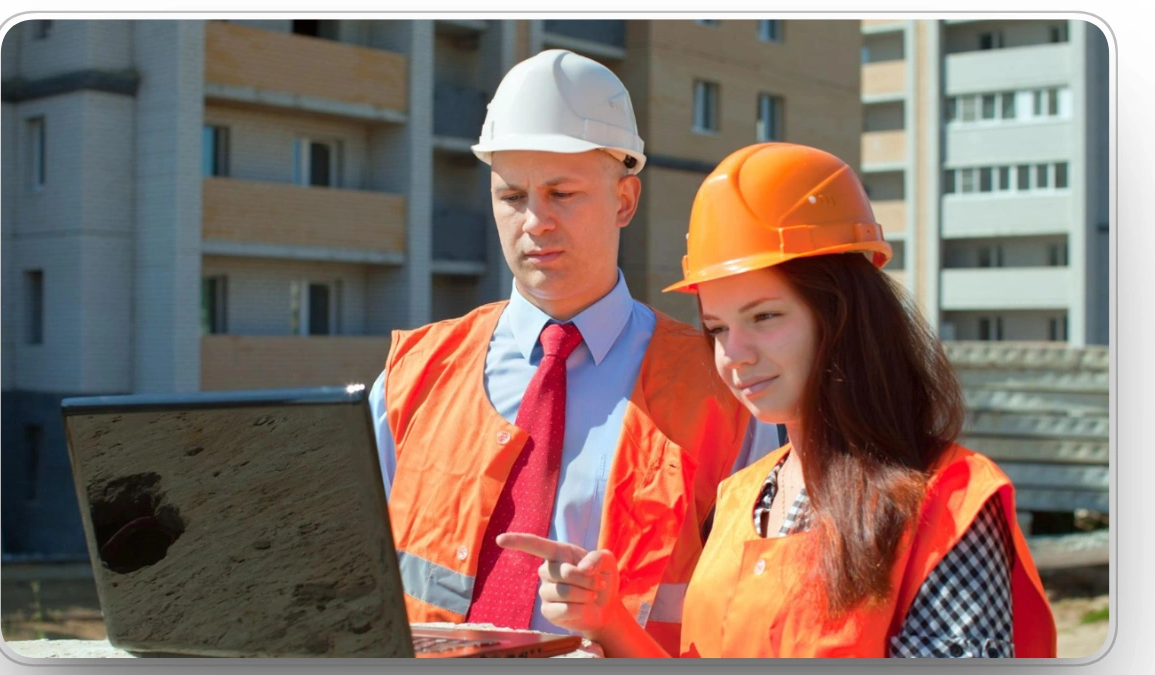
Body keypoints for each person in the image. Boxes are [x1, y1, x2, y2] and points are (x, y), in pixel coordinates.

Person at [500, 142, 1058, 658]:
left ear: (843, 317)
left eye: (764, 317)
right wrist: (611, 622)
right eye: (717, 328)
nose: (733, 354)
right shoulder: (743, 496)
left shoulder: (952, 503)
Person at [366, 49, 780, 654]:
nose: (535, 220)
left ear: (625, 201)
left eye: (562, 193)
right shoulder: (413, 375)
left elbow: (752, 619)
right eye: (512, 196)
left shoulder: (724, 388)